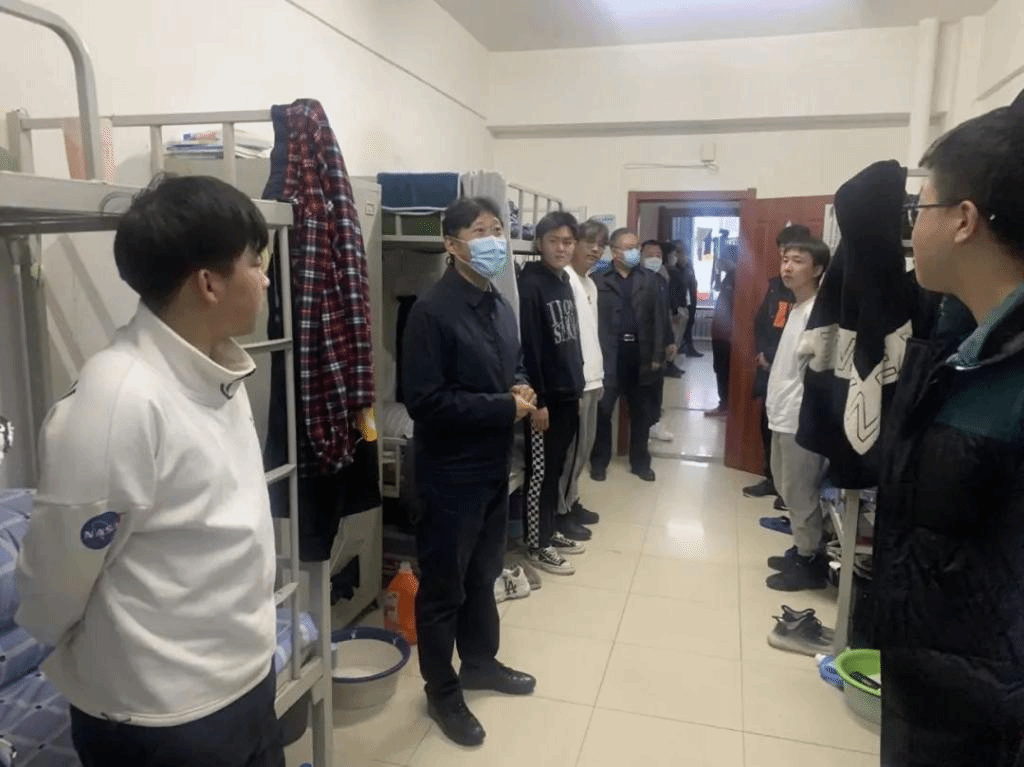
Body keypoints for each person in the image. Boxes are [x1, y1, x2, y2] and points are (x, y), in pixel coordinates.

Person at [16, 175, 285, 766]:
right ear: (208, 283)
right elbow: (54, 581)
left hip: (242, 681)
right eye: (255, 262)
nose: (265, 279)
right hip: (161, 717)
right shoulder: (118, 402)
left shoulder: (217, 372)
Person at [874, 106, 1024, 766]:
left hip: (988, 714)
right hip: (936, 688)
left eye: (921, 208)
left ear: (964, 220)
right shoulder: (960, 337)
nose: (914, 227)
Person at [401, 197, 538, 747]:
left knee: (484, 574)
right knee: (444, 588)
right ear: (451, 244)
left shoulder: (498, 303)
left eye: (498, 229)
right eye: (481, 232)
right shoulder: (431, 312)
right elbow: (425, 401)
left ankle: (480, 662)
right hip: (449, 473)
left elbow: (513, 363)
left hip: (493, 465)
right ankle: (442, 691)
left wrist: (521, 384)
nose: (494, 241)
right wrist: (504, 407)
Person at [519, 211, 586, 575]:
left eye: (568, 242)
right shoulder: (531, 284)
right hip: (545, 401)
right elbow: (530, 349)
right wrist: (538, 402)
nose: (562, 248)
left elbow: (569, 341)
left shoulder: (563, 281)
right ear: (539, 243)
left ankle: (548, 530)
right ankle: (536, 544)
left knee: (556, 468)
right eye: (554, 241)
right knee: (540, 473)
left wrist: (577, 387)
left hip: (567, 393)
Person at [763, 238, 831, 592]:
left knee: (801, 491)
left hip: (800, 418)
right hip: (782, 412)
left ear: (817, 269)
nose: (787, 267)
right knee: (786, 486)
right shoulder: (797, 307)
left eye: (798, 261)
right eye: (785, 260)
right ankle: (801, 547)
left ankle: (810, 561)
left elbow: (822, 372)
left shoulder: (819, 313)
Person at [590, 228, 667, 482]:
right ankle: (599, 462)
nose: (635, 252)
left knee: (641, 413)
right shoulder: (598, 280)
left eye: (637, 247)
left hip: (640, 354)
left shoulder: (650, 280)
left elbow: (660, 320)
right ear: (615, 252)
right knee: (603, 412)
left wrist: (658, 355)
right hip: (609, 355)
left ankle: (640, 463)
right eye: (629, 247)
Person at [742, 225, 808, 501]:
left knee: (792, 431)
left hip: (794, 374)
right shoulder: (775, 285)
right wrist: (762, 353)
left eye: (793, 254)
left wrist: (773, 356)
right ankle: (772, 479)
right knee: (768, 424)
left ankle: (789, 490)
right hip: (768, 368)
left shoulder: (809, 292)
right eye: (783, 252)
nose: (786, 260)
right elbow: (762, 322)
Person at [557, 219, 609, 541]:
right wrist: (575, 384)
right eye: (589, 242)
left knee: (584, 449)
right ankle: (560, 513)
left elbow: (591, 335)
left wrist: (598, 377)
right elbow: (566, 340)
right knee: (571, 452)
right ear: (574, 244)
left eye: (601, 244)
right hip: (576, 382)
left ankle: (572, 500)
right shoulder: (565, 281)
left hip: (592, 379)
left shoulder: (589, 284)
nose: (595, 249)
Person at [641, 240, 679, 442]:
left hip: (660, 344)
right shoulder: (637, 281)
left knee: (657, 387)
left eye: (658, 255)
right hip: (642, 346)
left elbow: (664, 315)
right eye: (650, 255)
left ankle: (654, 424)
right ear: (641, 256)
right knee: (642, 390)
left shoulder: (662, 281)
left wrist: (670, 341)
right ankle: (641, 429)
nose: (654, 259)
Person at [705, 246, 737, 417]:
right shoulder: (728, 277)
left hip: (727, 335)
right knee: (720, 368)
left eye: (722, 259)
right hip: (720, 333)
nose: (719, 262)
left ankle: (725, 405)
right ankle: (725, 403)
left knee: (724, 369)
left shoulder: (737, 278)